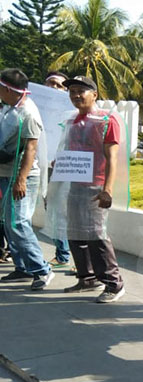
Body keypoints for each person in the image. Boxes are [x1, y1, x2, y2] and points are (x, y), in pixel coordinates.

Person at [60, 76, 125, 302]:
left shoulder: (107, 120)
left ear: (94, 94)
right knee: (75, 233)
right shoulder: (72, 121)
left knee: (97, 235)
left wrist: (107, 189)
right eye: (72, 91)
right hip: (75, 183)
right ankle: (87, 277)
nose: (76, 95)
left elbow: (112, 157)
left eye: (81, 91)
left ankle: (113, 284)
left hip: (95, 185)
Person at [0, 68, 53, 290]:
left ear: (7, 89)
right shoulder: (10, 108)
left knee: (18, 223)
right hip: (6, 173)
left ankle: (42, 269)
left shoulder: (28, 113)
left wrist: (21, 179)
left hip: (22, 176)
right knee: (8, 224)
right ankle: (22, 267)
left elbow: (32, 147)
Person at [42, 70, 72, 269]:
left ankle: (68, 254)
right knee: (50, 208)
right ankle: (61, 253)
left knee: (67, 212)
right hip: (43, 167)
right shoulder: (39, 109)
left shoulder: (73, 113)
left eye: (58, 85)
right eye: (50, 84)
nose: (53, 88)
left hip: (66, 168)